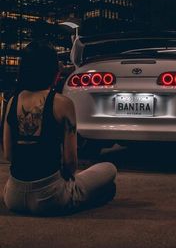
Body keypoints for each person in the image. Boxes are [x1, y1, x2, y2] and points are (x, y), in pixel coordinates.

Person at [2, 40, 117, 215]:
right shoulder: (62, 103)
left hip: (13, 197)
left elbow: (9, 154)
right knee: (109, 169)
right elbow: (70, 163)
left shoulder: (12, 101)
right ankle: (77, 196)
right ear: (53, 71)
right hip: (50, 197)